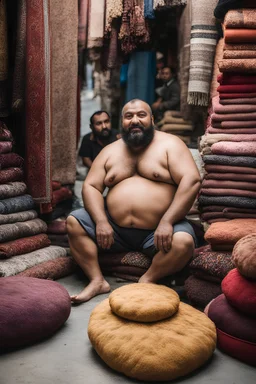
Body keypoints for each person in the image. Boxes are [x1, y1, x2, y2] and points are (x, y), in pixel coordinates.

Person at [67, 99, 201, 304]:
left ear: (152, 119)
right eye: (129, 116)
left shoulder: (170, 144)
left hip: (158, 230)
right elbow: (91, 186)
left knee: (184, 242)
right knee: (74, 222)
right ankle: (97, 280)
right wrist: (101, 221)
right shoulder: (110, 151)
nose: (135, 120)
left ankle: (148, 279)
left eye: (141, 115)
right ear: (122, 122)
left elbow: (191, 180)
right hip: (114, 230)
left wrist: (167, 221)